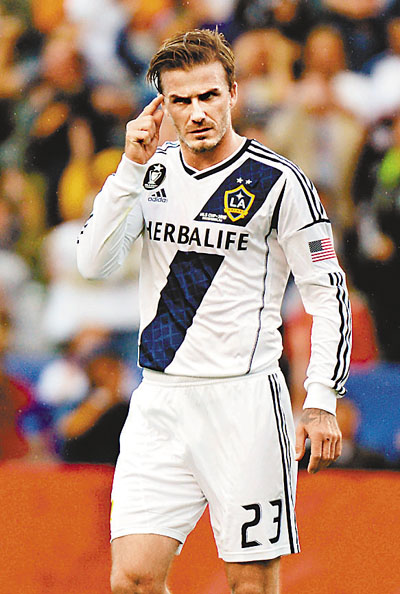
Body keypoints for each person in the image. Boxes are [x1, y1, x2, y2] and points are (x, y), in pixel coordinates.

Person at [77, 29, 351, 594]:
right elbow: (93, 263)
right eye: (181, 100)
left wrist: (321, 398)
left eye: (208, 96)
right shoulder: (150, 173)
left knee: (249, 584)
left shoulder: (280, 183)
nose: (197, 112)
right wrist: (128, 169)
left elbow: (328, 292)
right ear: (163, 105)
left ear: (233, 93)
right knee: (131, 579)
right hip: (160, 401)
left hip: (245, 404)